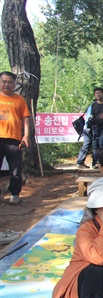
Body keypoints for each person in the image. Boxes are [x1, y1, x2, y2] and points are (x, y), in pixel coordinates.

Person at [0, 71, 31, 205]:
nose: (7, 84)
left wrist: (26, 135)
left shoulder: (19, 100)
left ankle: (14, 194)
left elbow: (26, 118)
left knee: (15, 168)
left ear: (14, 84)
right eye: (4, 81)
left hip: (14, 139)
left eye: (10, 82)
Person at [90, 87, 103, 168]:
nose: (98, 94)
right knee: (95, 145)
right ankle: (95, 162)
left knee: (102, 144)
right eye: (96, 93)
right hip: (95, 126)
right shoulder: (94, 105)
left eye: (99, 92)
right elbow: (91, 115)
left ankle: (102, 162)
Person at [75, 105, 93, 169]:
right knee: (88, 145)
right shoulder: (94, 106)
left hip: (87, 128)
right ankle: (80, 162)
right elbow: (90, 117)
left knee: (86, 145)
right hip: (89, 128)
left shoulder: (90, 106)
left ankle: (80, 162)